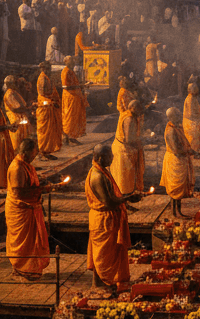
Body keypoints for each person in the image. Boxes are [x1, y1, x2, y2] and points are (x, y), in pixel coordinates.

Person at [85, 143, 134, 290]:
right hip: (103, 219)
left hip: (106, 217)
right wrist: (128, 198)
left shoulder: (102, 171)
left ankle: (99, 282)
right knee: (103, 254)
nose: (112, 158)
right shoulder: (97, 176)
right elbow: (109, 202)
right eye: (110, 156)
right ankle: (104, 282)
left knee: (103, 252)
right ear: (100, 158)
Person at [5, 137, 51, 281]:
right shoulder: (17, 167)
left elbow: (29, 184)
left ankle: (30, 269)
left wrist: (41, 183)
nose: (34, 157)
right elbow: (19, 193)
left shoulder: (26, 164)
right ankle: (22, 268)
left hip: (30, 207)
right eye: (33, 154)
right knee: (23, 242)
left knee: (32, 242)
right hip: (21, 209)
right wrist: (43, 189)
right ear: (25, 153)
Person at [161, 107, 195, 218]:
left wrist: (191, 151)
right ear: (171, 117)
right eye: (178, 115)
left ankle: (178, 211)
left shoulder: (177, 127)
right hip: (175, 161)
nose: (180, 117)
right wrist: (188, 152)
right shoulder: (171, 131)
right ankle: (174, 213)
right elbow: (176, 150)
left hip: (181, 160)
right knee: (175, 189)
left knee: (180, 189)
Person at [110, 98, 144, 195]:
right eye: (139, 109)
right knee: (124, 178)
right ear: (133, 108)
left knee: (125, 177)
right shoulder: (129, 119)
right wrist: (139, 144)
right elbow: (129, 139)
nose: (140, 112)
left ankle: (125, 199)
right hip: (123, 150)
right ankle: (124, 200)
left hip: (121, 147)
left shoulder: (128, 114)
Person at [35, 61, 62, 158]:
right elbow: (43, 94)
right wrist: (51, 102)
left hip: (49, 104)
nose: (48, 70)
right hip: (45, 106)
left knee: (49, 130)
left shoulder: (46, 77)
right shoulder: (42, 78)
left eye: (49, 68)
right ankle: (43, 151)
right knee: (44, 131)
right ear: (43, 69)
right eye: (47, 68)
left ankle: (47, 151)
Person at [61, 63, 87, 145]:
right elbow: (66, 86)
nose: (73, 63)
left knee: (73, 117)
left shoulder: (70, 71)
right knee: (70, 117)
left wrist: (80, 86)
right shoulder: (66, 72)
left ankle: (70, 136)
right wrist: (80, 86)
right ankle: (69, 137)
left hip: (74, 97)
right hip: (70, 97)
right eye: (71, 61)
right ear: (67, 62)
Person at [3, 75, 31, 150]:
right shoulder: (9, 94)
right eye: (15, 83)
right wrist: (28, 108)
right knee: (18, 139)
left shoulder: (14, 92)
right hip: (16, 119)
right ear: (10, 84)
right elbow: (16, 108)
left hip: (21, 118)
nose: (18, 85)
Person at [183, 82, 200, 152]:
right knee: (194, 141)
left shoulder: (192, 98)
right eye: (195, 88)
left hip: (192, 123)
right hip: (191, 124)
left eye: (196, 88)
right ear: (190, 90)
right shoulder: (190, 99)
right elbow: (190, 115)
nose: (197, 90)